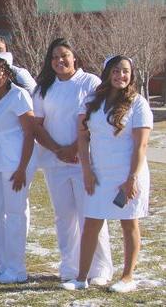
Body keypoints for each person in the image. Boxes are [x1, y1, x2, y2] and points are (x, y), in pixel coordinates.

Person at [63, 56, 153, 293]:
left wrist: (132, 178)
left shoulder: (138, 103)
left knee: (128, 222)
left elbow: (141, 146)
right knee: (91, 223)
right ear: (107, 74)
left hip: (127, 174)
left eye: (125, 71)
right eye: (115, 71)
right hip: (99, 173)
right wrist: (86, 170)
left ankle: (127, 277)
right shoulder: (92, 101)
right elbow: (82, 138)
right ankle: (81, 277)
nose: (120, 75)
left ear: (131, 75)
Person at [33, 38, 113, 284]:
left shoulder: (90, 82)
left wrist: (75, 149)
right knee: (64, 217)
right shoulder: (43, 88)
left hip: (84, 163)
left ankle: (100, 269)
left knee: (91, 214)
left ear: (74, 57)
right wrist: (58, 149)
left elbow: (95, 120)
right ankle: (69, 267)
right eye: (55, 57)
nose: (60, 61)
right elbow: (37, 126)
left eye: (64, 55)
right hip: (55, 163)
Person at [0, 52, 36, 284]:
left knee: (14, 216)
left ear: (7, 72)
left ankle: (17, 269)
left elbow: (30, 133)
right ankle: (4, 264)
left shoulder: (19, 95)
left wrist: (23, 167)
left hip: (16, 164)